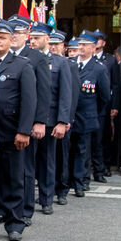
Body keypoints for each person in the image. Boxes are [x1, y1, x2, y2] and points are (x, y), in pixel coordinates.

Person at [0, 21, 36, 241]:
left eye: (2, 37)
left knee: (13, 178)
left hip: (11, 132)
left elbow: (29, 100)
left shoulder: (22, 65)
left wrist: (24, 130)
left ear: (11, 40)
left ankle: (15, 222)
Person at [9, 17, 51, 228]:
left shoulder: (36, 57)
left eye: (19, 32)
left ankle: (25, 210)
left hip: (25, 122)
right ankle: (3, 209)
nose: (15, 36)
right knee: (3, 169)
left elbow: (43, 92)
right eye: (12, 32)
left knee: (25, 169)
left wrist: (39, 122)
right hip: (3, 122)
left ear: (27, 35)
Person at [30, 22, 71, 215]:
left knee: (47, 160)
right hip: (29, 119)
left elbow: (65, 93)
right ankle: (26, 202)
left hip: (50, 119)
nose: (34, 41)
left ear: (47, 39)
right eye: (32, 37)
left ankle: (46, 199)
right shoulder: (26, 58)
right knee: (28, 164)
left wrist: (62, 121)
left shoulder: (60, 62)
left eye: (37, 38)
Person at [70, 32, 111, 197]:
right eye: (79, 44)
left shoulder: (99, 69)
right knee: (66, 150)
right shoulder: (70, 63)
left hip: (86, 116)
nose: (81, 47)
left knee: (82, 151)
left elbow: (104, 97)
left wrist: (93, 112)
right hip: (68, 115)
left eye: (85, 45)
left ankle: (80, 183)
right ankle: (65, 181)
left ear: (94, 48)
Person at [50, 32, 79, 206]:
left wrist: (67, 118)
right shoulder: (42, 61)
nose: (53, 47)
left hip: (62, 118)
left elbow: (71, 94)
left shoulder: (68, 65)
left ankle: (62, 188)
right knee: (49, 157)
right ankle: (50, 187)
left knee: (62, 155)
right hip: (48, 118)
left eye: (57, 44)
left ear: (64, 47)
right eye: (51, 44)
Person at [92, 30, 121, 176]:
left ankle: (105, 165)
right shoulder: (85, 58)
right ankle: (93, 165)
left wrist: (114, 105)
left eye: (99, 39)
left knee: (103, 135)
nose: (96, 42)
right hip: (89, 102)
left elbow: (115, 84)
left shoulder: (110, 60)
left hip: (104, 103)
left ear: (103, 42)